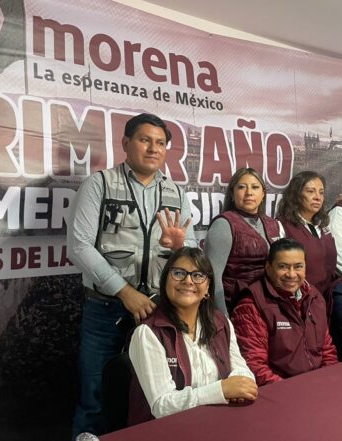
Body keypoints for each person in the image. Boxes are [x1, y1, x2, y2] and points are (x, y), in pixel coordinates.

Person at [68, 113, 196, 437]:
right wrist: (124, 292)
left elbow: (193, 255)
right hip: (106, 309)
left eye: (160, 143)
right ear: (126, 143)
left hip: (157, 311)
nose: (153, 148)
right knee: (95, 398)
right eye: (144, 140)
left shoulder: (176, 193)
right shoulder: (99, 184)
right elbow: (79, 246)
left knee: (152, 396)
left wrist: (180, 248)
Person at [127, 247, 257, 424]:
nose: (188, 280)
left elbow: (241, 368)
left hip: (216, 421)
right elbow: (161, 406)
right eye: (178, 273)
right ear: (165, 281)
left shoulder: (220, 321)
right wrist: (221, 390)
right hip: (165, 430)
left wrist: (243, 382)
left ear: (208, 287)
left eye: (198, 275)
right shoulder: (148, 333)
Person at [231, 239, 338, 385]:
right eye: (283, 267)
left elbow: (327, 351)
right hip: (282, 390)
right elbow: (255, 366)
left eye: (298, 266)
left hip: (319, 383)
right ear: (268, 268)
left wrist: (329, 379)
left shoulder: (314, 297)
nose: (291, 274)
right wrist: (293, 390)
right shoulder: (251, 304)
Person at [204, 168, 285, 314]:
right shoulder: (223, 224)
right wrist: (223, 318)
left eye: (255, 187)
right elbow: (212, 277)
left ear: (263, 194)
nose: (249, 193)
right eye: (242, 187)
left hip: (268, 308)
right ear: (232, 194)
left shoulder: (274, 224)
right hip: (235, 308)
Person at [276, 171, 337, 297]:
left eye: (321, 192)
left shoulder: (323, 225)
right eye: (311, 191)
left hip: (327, 298)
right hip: (299, 299)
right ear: (296, 195)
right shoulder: (282, 226)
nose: (317, 197)